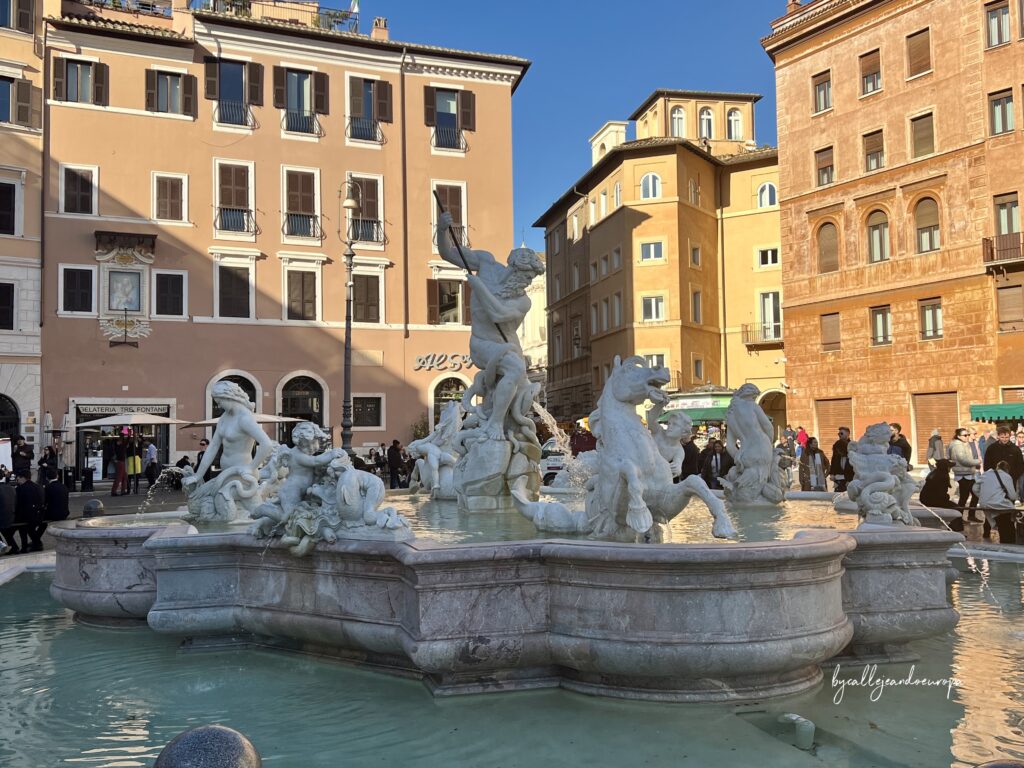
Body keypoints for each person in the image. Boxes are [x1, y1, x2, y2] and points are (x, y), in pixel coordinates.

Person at [436, 210, 546, 441]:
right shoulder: (485, 263)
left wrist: (478, 287)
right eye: (526, 276)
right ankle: (493, 424)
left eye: (531, 279)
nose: (527, 282)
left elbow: (498, 313)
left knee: (519, 382)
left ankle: (500, 423)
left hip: (507, 345)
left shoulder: (523, 300)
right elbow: (447, 253)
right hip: (482, 343)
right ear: (514, 268)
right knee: (514, 369)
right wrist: (443, 229)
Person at [917, 459, 964, 532]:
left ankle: (953, 528)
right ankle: (955, 530)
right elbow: (941, 495)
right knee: (958, 509)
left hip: (926, 499)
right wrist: (947, 497)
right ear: (945, 467)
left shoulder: (934, 473)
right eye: (949, 467)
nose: (950, 469)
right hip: (933, 501)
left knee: (956, 507)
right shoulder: (942, 476)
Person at [978, 460, 1018, 543]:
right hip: (998, 504)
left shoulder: (986, 474)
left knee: (1001, 523)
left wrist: (984, 496)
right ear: (1007, 469)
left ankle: (1003, 541)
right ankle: (1010, 544)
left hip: (984, 503)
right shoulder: (1006, 476)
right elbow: (1013, 496)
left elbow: (975, 488)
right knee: (1008, 524)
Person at [948, 428, 981, 521]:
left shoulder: (962, 444)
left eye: (968, 435)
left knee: (966, 496)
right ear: (958, 436)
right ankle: (961, 517)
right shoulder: (958, 445)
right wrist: (977, 462)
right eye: (965, 435)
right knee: (970, 495)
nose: (967, 437)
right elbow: (963, 460)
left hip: (966, 473)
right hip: (963, 474)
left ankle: (962, 517)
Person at [14, 469, 44, 552]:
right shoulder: (37, 486)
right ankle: (37, 543)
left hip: (27, 517)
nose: (18, 480)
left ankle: (24, 546)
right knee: (30, 528)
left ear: (22, 478)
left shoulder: (20, 488)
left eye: (18, 478)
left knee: (21, 526)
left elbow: (18, 505)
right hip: (38, 515)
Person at [41, 468, 69, 544]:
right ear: (57, 476)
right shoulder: (64, 486)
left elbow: (44, 502)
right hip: (65, 512)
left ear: (47, 478)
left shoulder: (48, 487)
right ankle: (36, 540)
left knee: (40, 521)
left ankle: (36, 540)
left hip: (53, 514)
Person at [830, 427, 855, 492]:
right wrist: (832, 473)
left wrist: (850, 479)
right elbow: (834, 459)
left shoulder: (852, 445)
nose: (839, 435)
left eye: (841, 433)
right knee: (837, 496)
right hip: (838, 476)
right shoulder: (836, 444)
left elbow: (854, 464)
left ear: (848, 434)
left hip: (849, 476)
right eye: (838, 433)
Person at [0, 473, 15, 555]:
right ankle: (13, 547)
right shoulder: (11, 488)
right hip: (11, 517)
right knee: (6, 531)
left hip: (2, 518)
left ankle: (2, 546)